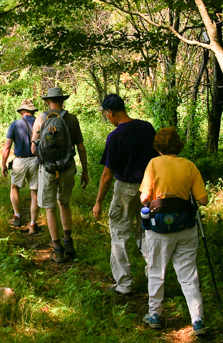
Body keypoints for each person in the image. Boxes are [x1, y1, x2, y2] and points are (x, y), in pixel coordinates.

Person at [139, 127, 209, 336]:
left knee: (156, 271)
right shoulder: (189, 166)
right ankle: (197, 320)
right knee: (188, 274)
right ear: (178, 144)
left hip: (159, 229)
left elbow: (144, 198)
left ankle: (155, 315)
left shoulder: (153, 164)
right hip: (185, 227)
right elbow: (203, 200)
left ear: (158, 146)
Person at [92, 94, 158, 295]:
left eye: (106, 114)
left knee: (120, 235)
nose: (107, 118)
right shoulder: (147, 128)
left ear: (111, 112)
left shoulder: (115, 137)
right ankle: (154, 281)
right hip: (149, 189)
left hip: (125, 190)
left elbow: (107, 173)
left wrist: (98, 202)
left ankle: (124, 284)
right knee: (147, 233)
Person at [31, 87, 89, 263]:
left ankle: (57, 249)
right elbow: (80, 147)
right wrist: (85, 171)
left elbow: (33, 149)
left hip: (48, 169)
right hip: (67, 167)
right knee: (64, 203)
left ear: (47, 101)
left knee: (49, 207)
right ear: (62, 100)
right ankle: (68, 242)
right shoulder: (71, 119)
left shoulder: (40, 119)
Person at [1, 99, 41, 234]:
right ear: (33, 111)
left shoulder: (15, 124)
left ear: (22, 112)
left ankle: (17, 217)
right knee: (34, 192)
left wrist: (3, 164)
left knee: (14, 187)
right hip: (37, 161)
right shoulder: (40, 122)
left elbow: (7, 147)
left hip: (20, 161)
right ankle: (33, 223)